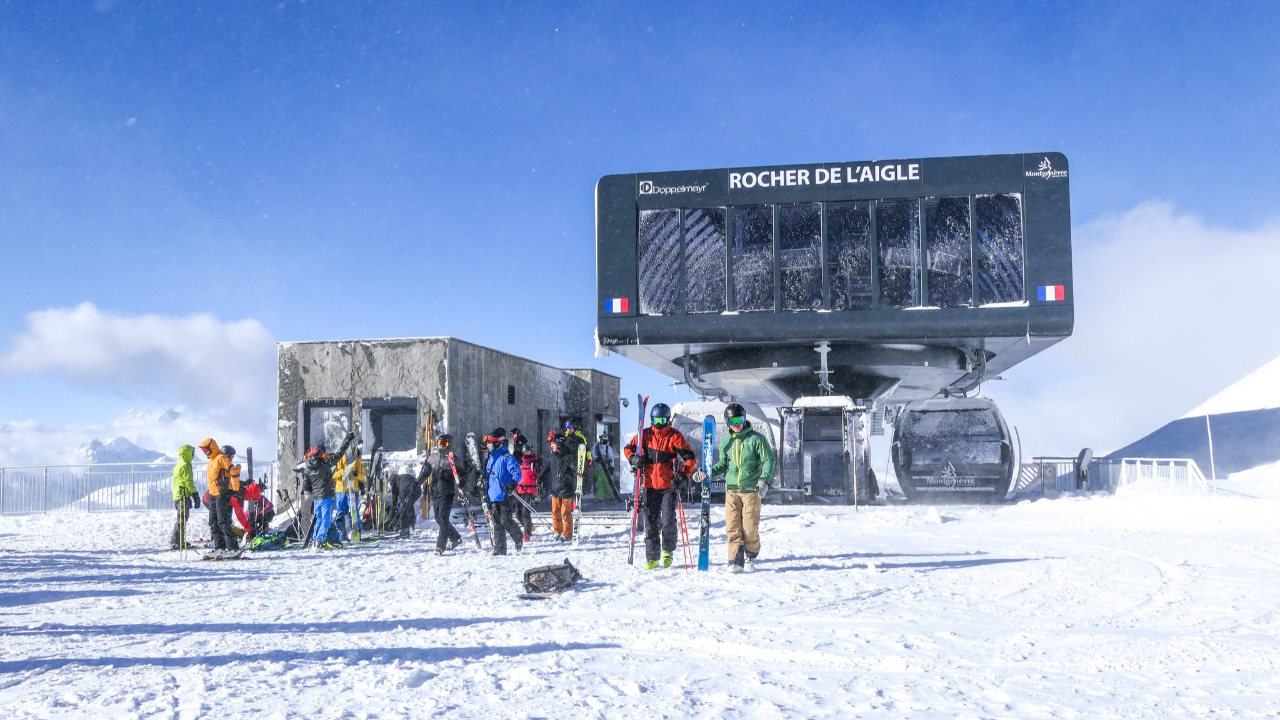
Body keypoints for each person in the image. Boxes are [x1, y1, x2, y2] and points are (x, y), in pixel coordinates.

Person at [693, 403, 776, 573]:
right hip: (731, 491)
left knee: (750, 527)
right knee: (732, 527)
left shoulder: (756, 439)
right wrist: (706, 473)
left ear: (745, 419)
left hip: (752, 491)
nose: (736, 424)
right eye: (732, 421)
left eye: (739, 419)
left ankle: (751, 555)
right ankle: (735, 561)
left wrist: (764, 481)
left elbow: (769, 460)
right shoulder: (726, 441)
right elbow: (723, 465)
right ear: (728, 422)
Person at [624, 403, 697, 569]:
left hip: (668, 485)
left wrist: (684, 476)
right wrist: (634, 459)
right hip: (649, 485)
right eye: (656, 420)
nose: (659, 423)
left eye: (663, 420)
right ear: (651, 419)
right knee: (650, 521)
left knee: (668, 520)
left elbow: (690, 458)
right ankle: (652, 557)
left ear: (668, 420)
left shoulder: (674, 436)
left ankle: (667, 551)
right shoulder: (644, 435)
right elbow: (628, 449)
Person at [295, 432, 355, 550]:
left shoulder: (308, 469)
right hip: (326, 496)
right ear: (319, 455)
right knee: (326, 521)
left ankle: (315, 540)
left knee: (319, 520)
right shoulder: (325, 465)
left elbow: (307, 485)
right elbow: (339, 454)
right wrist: (347, 439)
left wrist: (307, 495)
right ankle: (320, 540)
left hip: (317, 498)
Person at [419, 434, 471, 554]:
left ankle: (440, 546)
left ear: (449, 445)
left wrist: (461, 482)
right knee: (438, 518)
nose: (442, 446)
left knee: (443, 518)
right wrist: (418, 482)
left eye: (445, 444)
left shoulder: (453, 459)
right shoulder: (432, 458)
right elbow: (425, 472)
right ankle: (455, 538)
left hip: (447, 493)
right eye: (440, 443)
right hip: (435, 492)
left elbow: (462, 474)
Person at [483, 427, 524, 555]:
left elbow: (517, 472)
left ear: (497, 443)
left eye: (490, 443)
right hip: (493, 495)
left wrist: (513, 483)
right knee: (496, 524)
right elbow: (487, 475)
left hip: (506, 494)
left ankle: (518, 537)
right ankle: (500, 549)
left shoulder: (507, 457)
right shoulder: (490, 459)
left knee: (505, 521)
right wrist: (482, 482)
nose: (488, 445)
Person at [199, 438, 240, 554]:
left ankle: (233, 547)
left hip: (222, 494)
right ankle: (219, 547)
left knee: (223, 521)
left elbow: (234, 471)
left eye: (206, 449)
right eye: (203, 450)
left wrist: (235, 489)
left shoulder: (221, 458)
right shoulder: (211, 462)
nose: (205, 452)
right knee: (213, 521)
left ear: (212, 448)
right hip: (212, 494)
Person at [547, 428, 585, 542]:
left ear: (558, 443)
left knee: (565, 512)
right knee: (555, 512)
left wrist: (577, 471)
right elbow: (546, 469)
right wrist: (538, 480)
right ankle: (557, 531)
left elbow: (574, 466)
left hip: (566, 489)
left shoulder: (568, 456)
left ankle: (567, 534)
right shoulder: (552, 456)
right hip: (555, 489)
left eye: (553, 443)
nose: (551, 446)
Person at [332, 443, 366, 541]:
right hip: (340, 490)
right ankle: (341, 534)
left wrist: (356, 474)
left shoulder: (357, 461)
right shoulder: (338, 460)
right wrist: (344, 471)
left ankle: (356, 533)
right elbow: (334, 475)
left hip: (352, 489)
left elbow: (362, 476)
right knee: (340, 512)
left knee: (354, 511)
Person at [169, 444, 198, 550]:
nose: (193, 455)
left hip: (178, 494)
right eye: (192, 453)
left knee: (182, 518)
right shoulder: (185, 465)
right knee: (182, 519)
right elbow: (188, 481)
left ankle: (178, 540)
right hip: (182, 495)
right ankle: (176, 542)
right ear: (188, 453)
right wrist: (194, 494)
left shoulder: (179, 464)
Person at [515, 445, 542, 540]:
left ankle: (527, 533)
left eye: (527, 452)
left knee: (525, 513)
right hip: (519, 490)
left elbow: (540, 477)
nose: (526, 454)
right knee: (518, 513)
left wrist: (540, 490)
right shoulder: (521, 463)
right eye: (524, 452)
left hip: (529, 491)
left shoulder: (535, 464)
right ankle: (529, 526)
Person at [390, 470, 422, 538]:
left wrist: (391, 518)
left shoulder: (395, 483)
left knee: (403, 509)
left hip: (406, 490)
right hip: (418, 490)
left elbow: (394, 501)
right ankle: (411, 524)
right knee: (409, 506)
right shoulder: (403, 477)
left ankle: (405, 530)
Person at [591, 431, 619, 500]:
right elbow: (592, 452)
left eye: (604, 439)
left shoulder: (608, 448)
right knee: (603, 482)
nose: (602, 441)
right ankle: (611, 495)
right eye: (601, 439)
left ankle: (599, 497)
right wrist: (596, 458)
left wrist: (611, 467)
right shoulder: (596, 446)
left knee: (600, 482)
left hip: (604, 468)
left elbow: (611, 458)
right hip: (596, 467)